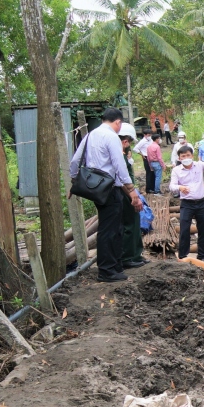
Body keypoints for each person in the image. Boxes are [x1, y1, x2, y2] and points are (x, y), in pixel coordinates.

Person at [69, 107, 143, 282]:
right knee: (109, 230)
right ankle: (106, 271)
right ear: (117, 122)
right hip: (110, 188)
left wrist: (74, 182)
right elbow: (119, 164)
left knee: (113, 228)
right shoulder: (111, 136)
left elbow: (74, 162)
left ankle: (115, 266)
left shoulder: (89, 136)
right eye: (120, 125)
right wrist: (131, 190)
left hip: (96, 188)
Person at [117, 123, 149, 269]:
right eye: (128, 141)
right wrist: (132, 195)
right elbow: (122, 179)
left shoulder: (124, 154)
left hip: (129, 192)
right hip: (125, 193)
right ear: (125, 140)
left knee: (136, 222)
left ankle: (136, 254)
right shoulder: (118, 155)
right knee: (129, 224)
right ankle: (127, 257)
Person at [135, 129, 153, 194]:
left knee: (153, 173)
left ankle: (152, 187)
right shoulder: (143, 141)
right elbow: (135, 148)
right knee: (149, 173)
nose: (149, 136)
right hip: (146, 157)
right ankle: (148, 189)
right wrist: (141, 154)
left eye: (150, 135)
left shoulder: (150, 140)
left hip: (152, 157)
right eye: (148, 135)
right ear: (145, 135)